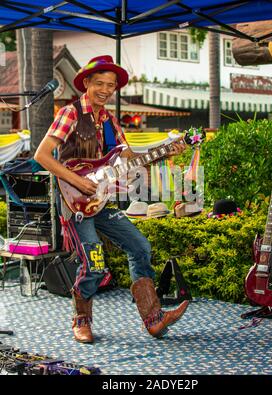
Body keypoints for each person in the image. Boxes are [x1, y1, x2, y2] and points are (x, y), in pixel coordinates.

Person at [34, 55, 189, 344]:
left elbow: (130, 160)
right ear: (87, 84)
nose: (105, 90)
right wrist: (78, 180)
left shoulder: (110, 121)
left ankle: (153, 318)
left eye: (111, 85)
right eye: (100, 84)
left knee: (140, 246)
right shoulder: (70, 113)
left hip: (102, 200)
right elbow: (41, 156)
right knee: (93, 262)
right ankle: (81, 319)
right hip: (74, 202)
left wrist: (166, 151)